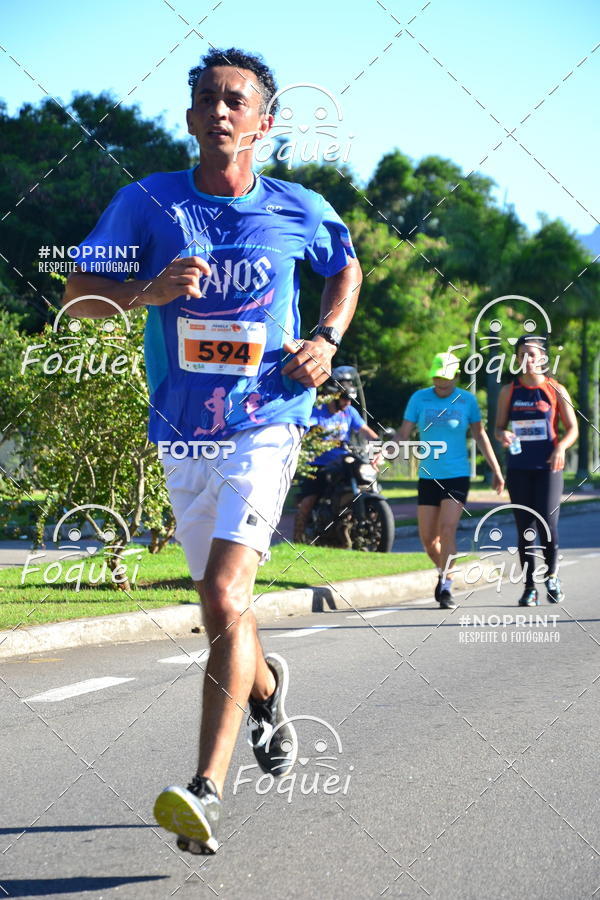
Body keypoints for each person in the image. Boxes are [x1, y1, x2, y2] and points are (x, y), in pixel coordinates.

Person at [62, 47, 362, 854]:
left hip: (268, 418)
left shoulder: (299, 207)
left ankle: (205, 791)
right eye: (208, 100)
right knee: (220, 607)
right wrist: (146, 292)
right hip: (181, 431)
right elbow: (77, 298)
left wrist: (326, 340)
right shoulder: (147, 203)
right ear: (191, 118)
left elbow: (347, 268)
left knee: (228, 595)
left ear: (264, 123)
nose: (222, 112)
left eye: (237, 101)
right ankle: (266, 693)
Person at [396, 351, 504, 609]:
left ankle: (445, 586)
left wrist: (496, 470)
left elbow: (480, 436)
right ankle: (446, 570)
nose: (441, 384)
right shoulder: (419, 398)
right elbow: (404, 433)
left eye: (445, 379)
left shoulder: (467, 401)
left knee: (447, 529)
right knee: (428, 540)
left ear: (456, 376)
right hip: (428, 475)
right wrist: (384, 455)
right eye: (436, 379)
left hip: (457, 474)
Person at [494, 335, 578, 606]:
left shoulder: (556, 390)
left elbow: (573, 428)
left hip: (548, 467)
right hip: (519, 468)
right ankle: (530, 587)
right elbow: (497, 427)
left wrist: (561, 448)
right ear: (517, 360)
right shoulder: (509, 391)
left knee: (548, 525)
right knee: (524, 528)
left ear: (543, 357)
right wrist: (502, 435)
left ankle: (551, 576)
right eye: (522, 355)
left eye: (533, 354)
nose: (528, 360)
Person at [294, 370, 379, 542]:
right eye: (345, 398)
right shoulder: (317, 412)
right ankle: (298, 537)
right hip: (319, 464)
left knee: (365, 480)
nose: (348, 403)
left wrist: (378, 443)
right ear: (333, 396)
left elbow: (365, 431)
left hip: (344, 461)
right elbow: (304, 429)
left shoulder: (350, 413)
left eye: (350, 399)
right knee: (308, 501)